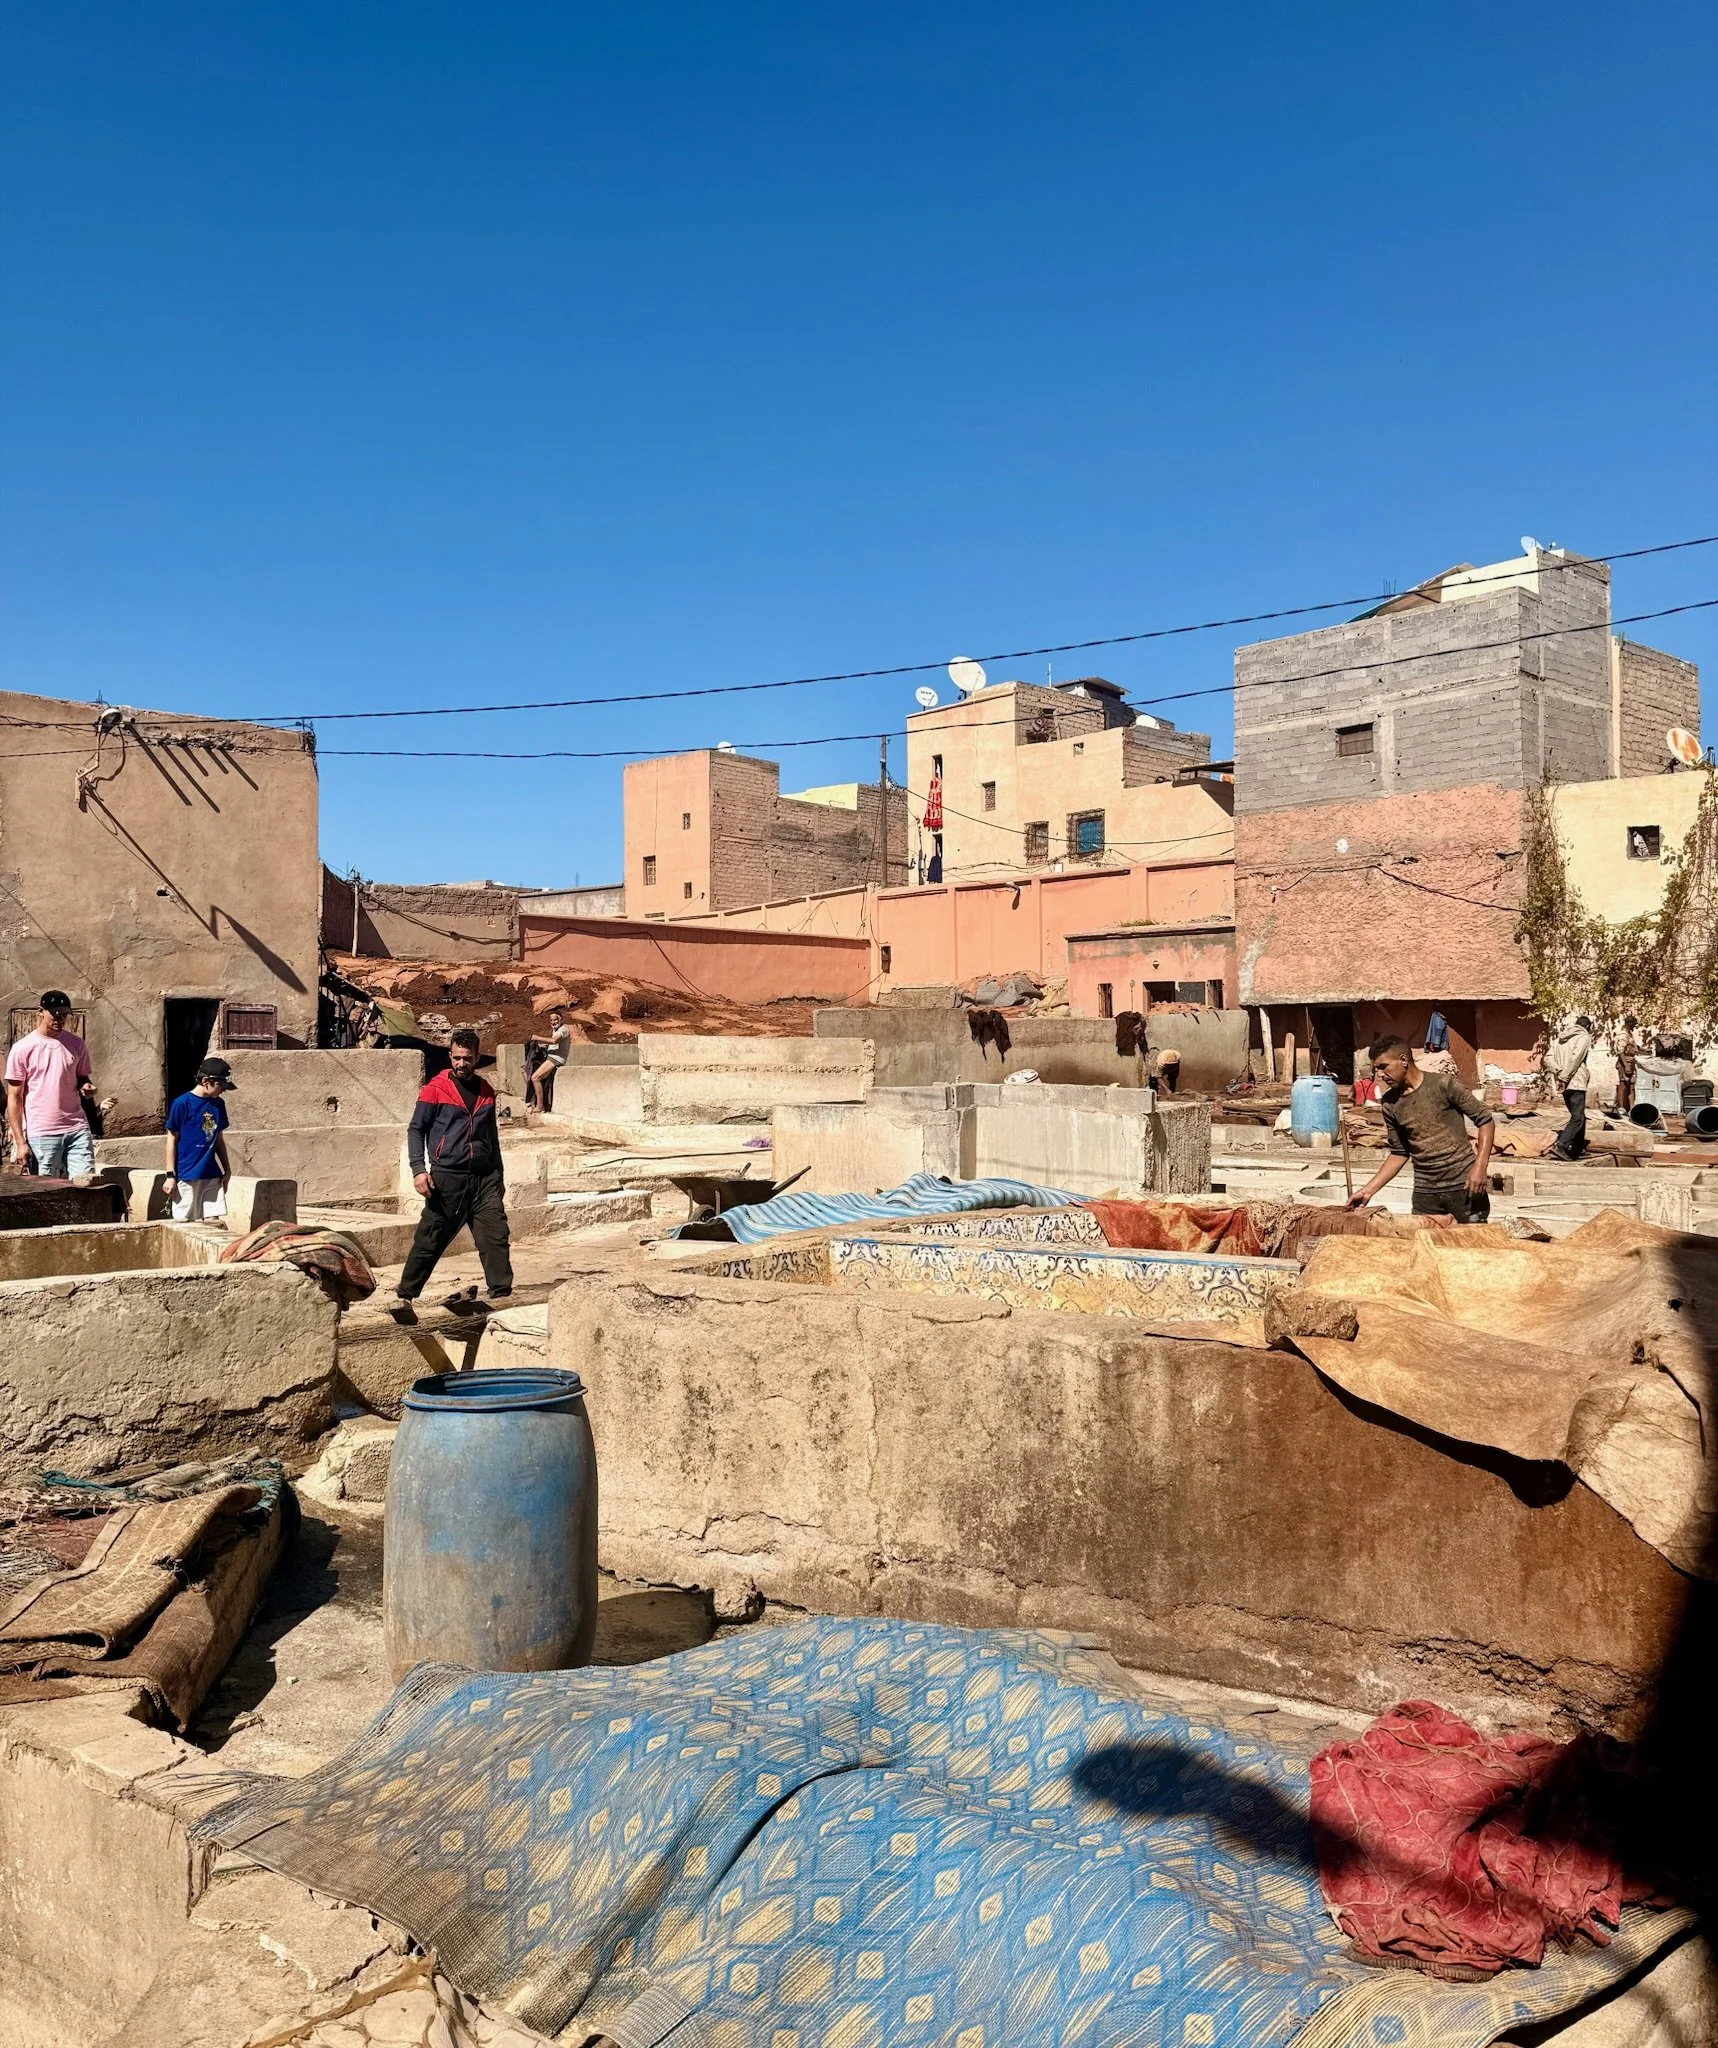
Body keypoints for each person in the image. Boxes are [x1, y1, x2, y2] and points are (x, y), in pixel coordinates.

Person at [393, 1027, 512, 1321]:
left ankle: (502, 1296)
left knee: (495, 1236)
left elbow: (491, 1136)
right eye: (457, 1058)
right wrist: (418, 1170)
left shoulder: (486, 1091)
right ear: (450, 1056)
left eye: (467, 1058)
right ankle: (405, 1295)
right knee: (431, 1237)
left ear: (476, 1057)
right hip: (447, 1177)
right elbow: (415, 1129)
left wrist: (499, 1176)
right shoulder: (434, 1089)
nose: (462, 1063)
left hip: (484, 1179)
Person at [1346, 1033, 1496, 1224]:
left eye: (1383, 1067)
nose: (1380, 1075)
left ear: (1403, 1060)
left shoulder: (1444, 1085)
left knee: (1472, 1250)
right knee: (1425, 1249)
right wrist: (1368, 1191)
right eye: (1377, 1069)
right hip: (1426, 1194)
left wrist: (1480, 1168)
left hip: (1465, 1186)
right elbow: (1399, 1153)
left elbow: (1485, 1121)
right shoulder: (1390, 1103)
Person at [4, 991, 97, 1178]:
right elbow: (14, 1098)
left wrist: (86, 1086)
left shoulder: (76, 1044)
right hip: (42, 1132)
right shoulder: (23, 1048)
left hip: (77, 1127)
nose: (60, 1019)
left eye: (64, 1014)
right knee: (48, 1192)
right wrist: (21, 1143)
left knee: (86, 1184)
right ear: (41, 1011)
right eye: (55, 1013)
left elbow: (82, 1077)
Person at [163, 1058, 235, 1220]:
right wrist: (170, 1175)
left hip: (211, 1174)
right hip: (186, 1174)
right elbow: (171, 1141)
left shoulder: (219, 1105)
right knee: (185, 1224)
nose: (222, 1091)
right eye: (220, 1086)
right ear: (205, 1081)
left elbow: (218, 1140)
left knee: (214, 1223)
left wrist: (227, 1170)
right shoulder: (182, 1104)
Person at [1545, 1014, 1594, 1161]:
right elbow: (1576, 1058)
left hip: (1564, 1083)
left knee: (1580, 1116)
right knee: (1577, 1118)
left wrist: (1558, 1071)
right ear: (1588, 1027)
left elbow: (1547, 1058)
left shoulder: (1559, 1039)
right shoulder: (1584, 1037)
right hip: (1575, 1081)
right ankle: (1561, 1144)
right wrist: (1564, 1075)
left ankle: (1578, 1148)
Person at [528, 1007, 572, 1112]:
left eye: (555, 1019)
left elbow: (554, 1041)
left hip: (555, 1059)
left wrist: (537, 1038)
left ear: (561, 1019)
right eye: (551, 1020)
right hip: (551, 1057)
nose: (553, 1022)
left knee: (535, 1077)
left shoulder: (563, 1030)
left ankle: (540, 1106)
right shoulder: (555, 1030)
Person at [1611, 1014, 1640, 1116]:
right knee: (1623, 1084)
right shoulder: (1623, 1035)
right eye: (1633, 1024)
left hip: (1631, 1061)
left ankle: (1632, 1109)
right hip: (1625, 1061)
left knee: (1631, 1085)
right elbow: (1620, 1051)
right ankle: (1621, 1107)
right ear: (1629, 1024)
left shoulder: (1629, 1034)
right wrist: (1625, 1065)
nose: (1634, 1027)